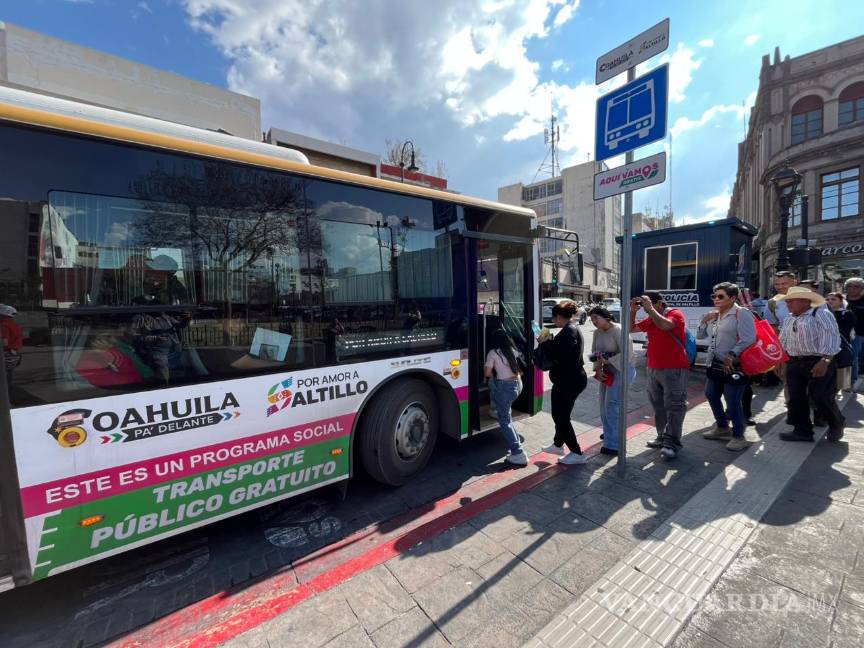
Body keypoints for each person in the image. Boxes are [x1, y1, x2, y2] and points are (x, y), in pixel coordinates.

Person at [777, 285, 844, 442]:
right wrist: (780, 360)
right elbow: (783, 341)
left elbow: (832, 338)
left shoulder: (821, 314)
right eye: (787, 301)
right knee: (796, 398)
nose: (788, 304)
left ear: (806, 301)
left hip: (818, 360)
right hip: (794, 362)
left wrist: (825, 361)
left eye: (791, 301)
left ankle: (836, 422)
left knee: (820, 396)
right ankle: (802, 431)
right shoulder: (789, 318)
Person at [698, 283, 758, 451]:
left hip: (733, 365)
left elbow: (749, 338)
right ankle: (722, 427)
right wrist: (704, 321)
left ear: (732, 298)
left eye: (720, 296)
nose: (716, 299)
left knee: (732, 401)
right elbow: (700, 336)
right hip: (715, 363)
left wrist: (733, 353)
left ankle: (739, 436)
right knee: (711, 394)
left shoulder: (742, 314)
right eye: (714, 296)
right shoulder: (715, 315)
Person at [630, 291, 690, 459]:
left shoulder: (675, 314)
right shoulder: (651, 318)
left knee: (675, 406)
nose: (645, 309)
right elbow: (631, 328)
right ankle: (662, 437)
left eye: (648, 305)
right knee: (659, 405)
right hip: (654, 368)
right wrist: (633, 311)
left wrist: (649, 309)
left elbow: (666, 326)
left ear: (659, 303)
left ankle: (672, 443)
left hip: (674, 369)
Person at [537, 300, 589, 465]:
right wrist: (550, 342)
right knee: (561, 414)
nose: (553, 321)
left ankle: (577, 452)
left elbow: (558, 356)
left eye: (554, 318)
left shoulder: (568, 332)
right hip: (571, 379)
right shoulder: (571, 329)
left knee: (560, 416)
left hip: (569, 380)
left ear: (560, 316)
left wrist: (544, 343)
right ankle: (558, 444)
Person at [589, 307, 635, 456]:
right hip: (608, 371)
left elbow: (626, 355)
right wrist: (598, 369)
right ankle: (609, 433)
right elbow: (595, 353)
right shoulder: (597, 333)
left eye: (597, 318)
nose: (594, 322)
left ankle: (614, 444)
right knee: (602, 403)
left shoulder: (618, 330)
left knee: (612, 405)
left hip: (623, 369)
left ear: (606, 317)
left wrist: (607, 360)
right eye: (592, 319)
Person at [484, 329, 527, 466]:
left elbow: (487, 373)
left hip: (505, 388)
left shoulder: (493, 352)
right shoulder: (511, 350)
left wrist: (493, 376)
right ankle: (517, 448)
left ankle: (518, 453)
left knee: (504, 422)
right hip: (517, 385)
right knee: (507, 418)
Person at [827, 291, 855, 393]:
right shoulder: (823, 313)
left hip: (842, 345)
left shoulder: (846, 313)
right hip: (827, 345)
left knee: (844, 364)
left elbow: (845, 330)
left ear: (840, 301)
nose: (830, 301)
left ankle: (846, 386)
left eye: (833, 299)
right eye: (828, 299)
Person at [844, 277, 864, 385]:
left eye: (856, 286)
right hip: (847, 334)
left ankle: (856, 379)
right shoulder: (842, 300)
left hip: (861, 333)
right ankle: (850, 380)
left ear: (861, 288)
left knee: (858, 357)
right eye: (850, 286)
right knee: (851, 357)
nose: (852, 289)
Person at [0, 304, 23, 384]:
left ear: (3, 315)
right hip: (15, 355)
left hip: (6, 355)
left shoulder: (3, 326)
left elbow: (4, 343)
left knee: (3, 380)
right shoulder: (16, 325)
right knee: (8, 378)